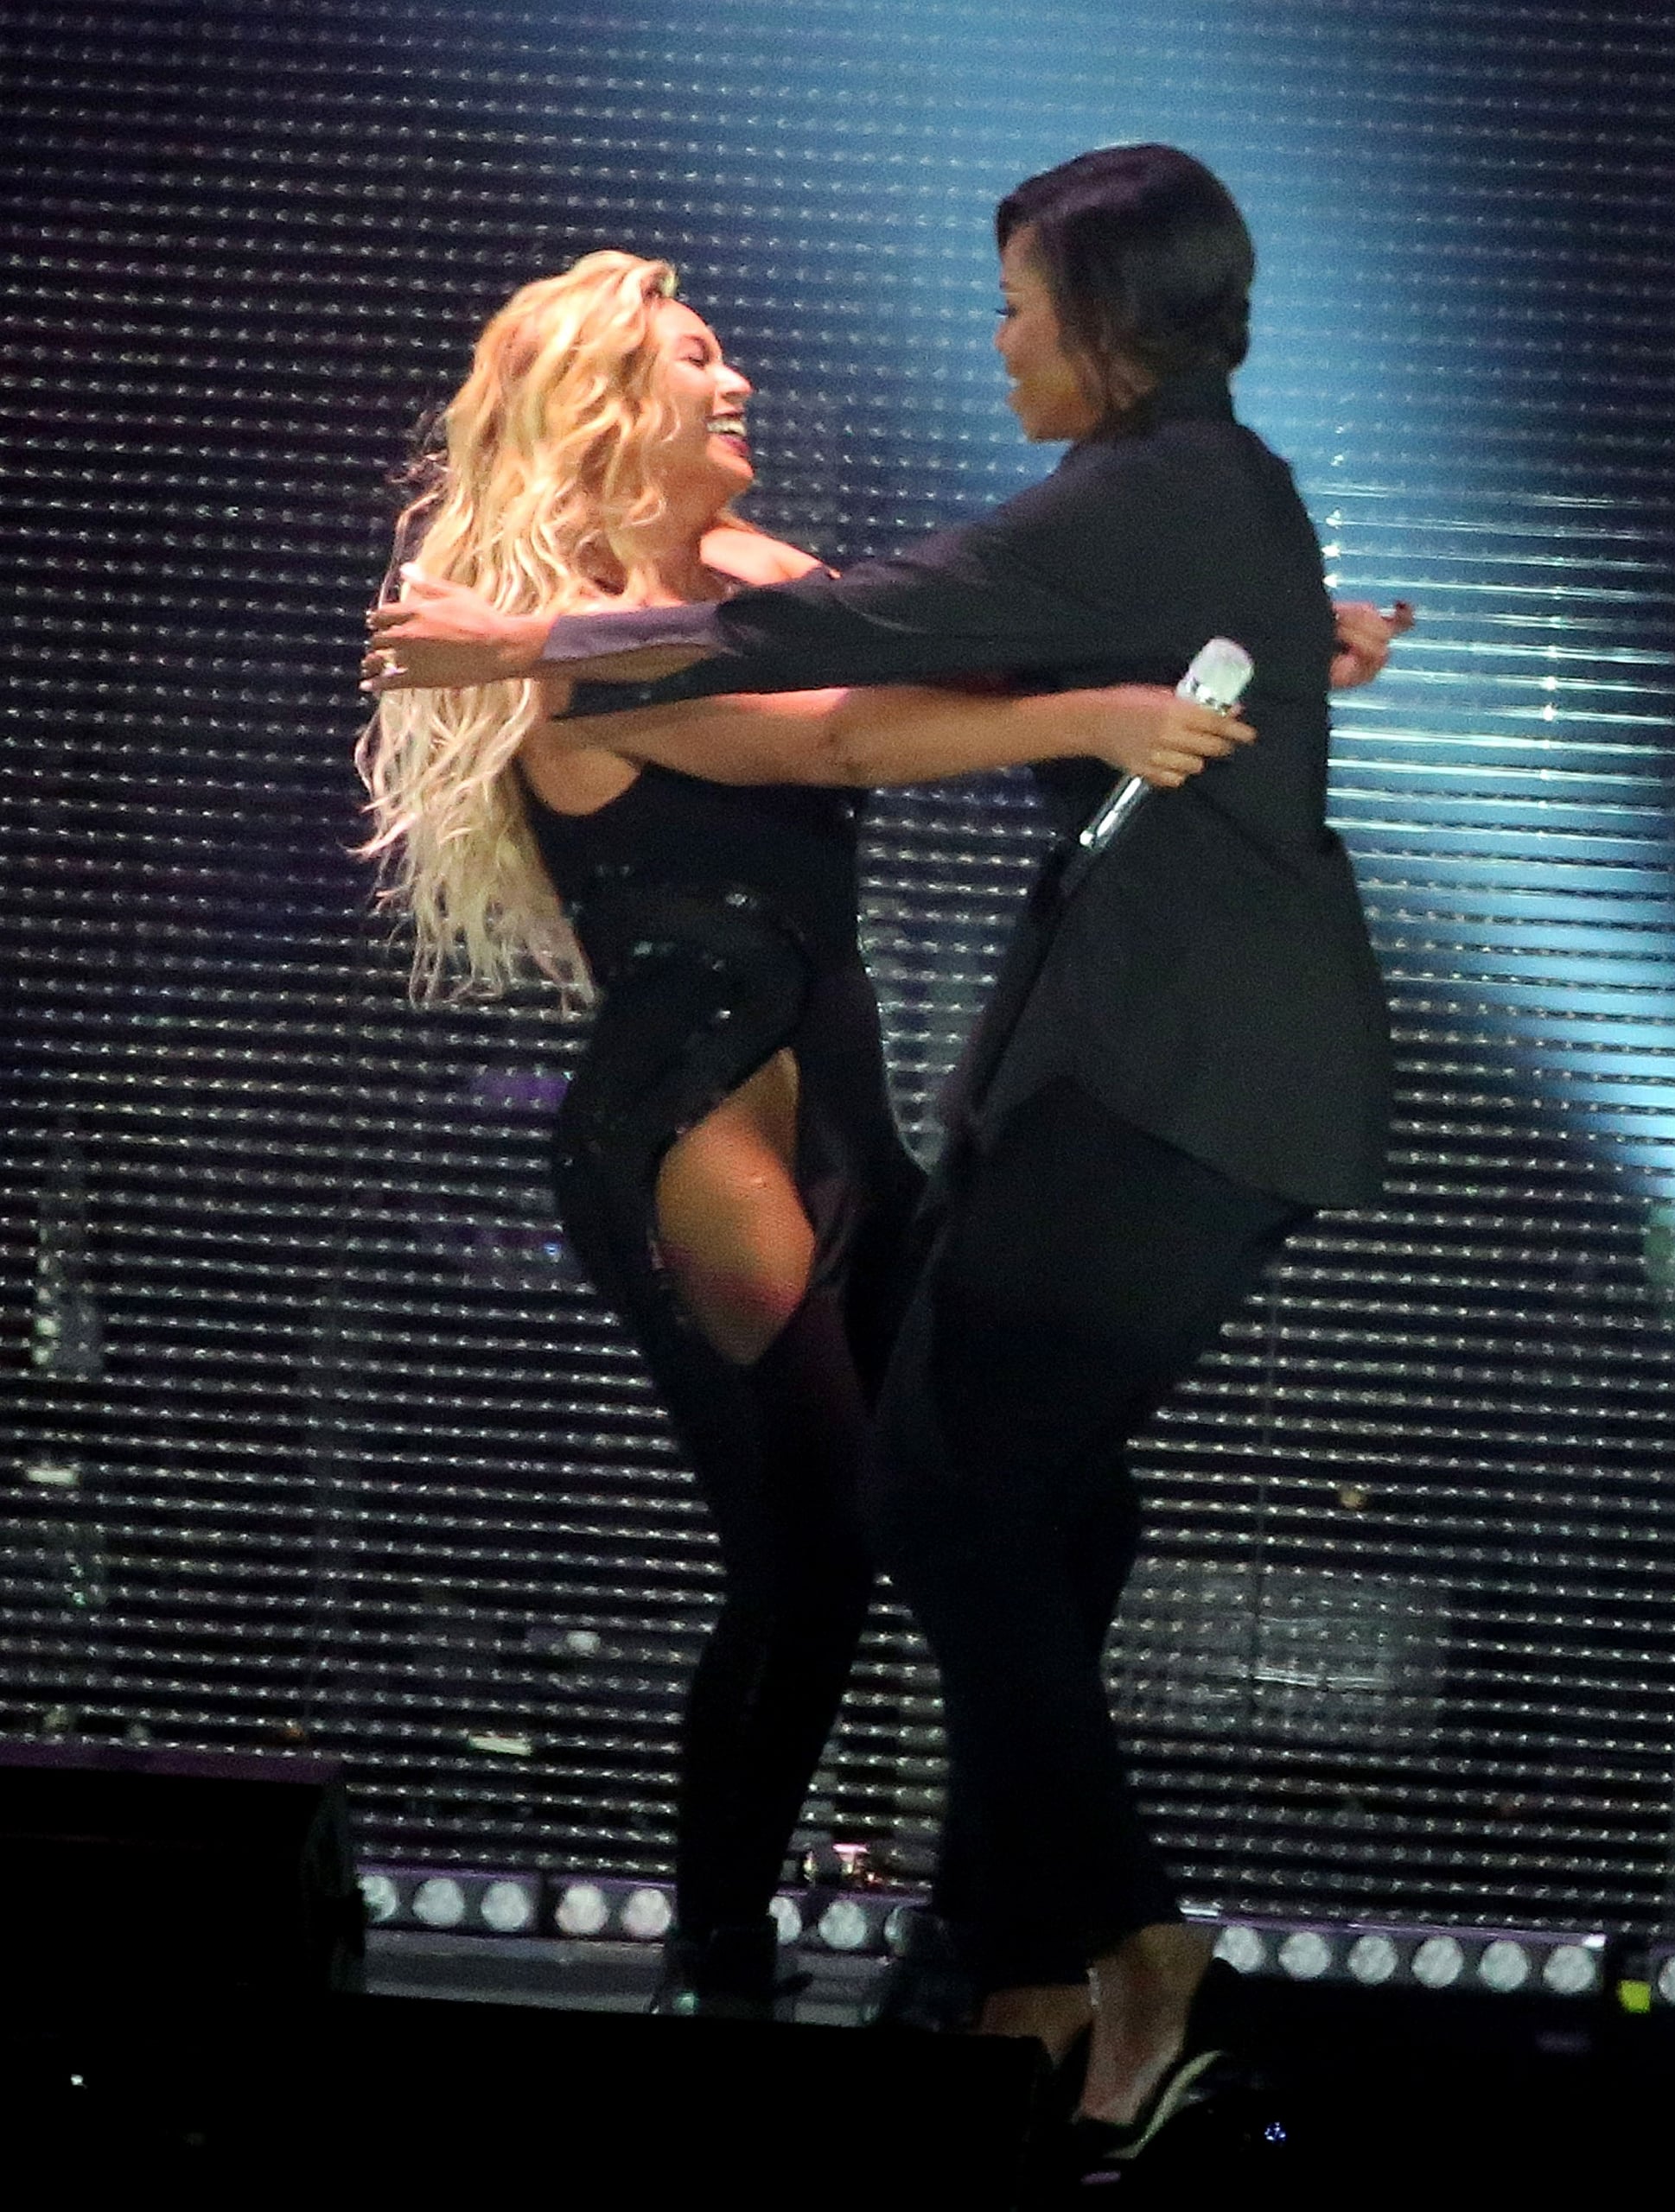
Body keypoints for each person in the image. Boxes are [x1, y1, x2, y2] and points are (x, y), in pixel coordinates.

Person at [367, 146, 1401, 2164]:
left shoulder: (734, 582)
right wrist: (1098, 706)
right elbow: (838, 736)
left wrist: (1253, 626)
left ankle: (998, 1944)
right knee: (829, 1540)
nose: (738, 377)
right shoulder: (585, 642)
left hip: (833, 1107)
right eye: (696, 355)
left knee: (1014, 1507)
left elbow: (926, 636)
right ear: (605, 403)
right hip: (701, 1122)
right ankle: (741, 1967)